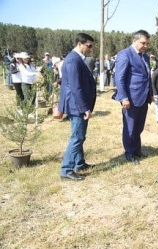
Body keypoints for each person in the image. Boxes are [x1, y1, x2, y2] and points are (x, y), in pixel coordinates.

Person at [58, 33, 97, 181]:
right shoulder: (73, 61)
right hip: (77, 105)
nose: (91, 49)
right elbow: (76, 87)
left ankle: (79, 163)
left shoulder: (77, 59)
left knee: (79, 135)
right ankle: (66, 169)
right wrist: (84, 108)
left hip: (77, 104)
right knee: (77, 137)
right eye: (89, 46)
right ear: (79, 44)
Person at [114, 29, 152, 165]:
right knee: (129, 127)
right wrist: (123, 97)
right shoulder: (125, 54)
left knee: (139, 126)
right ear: (135, 41)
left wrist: (151, 93)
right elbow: (119, 78)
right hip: (130, 98)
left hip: (143, 97)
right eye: (143, 43)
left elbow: (147, 77)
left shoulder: (145, 57)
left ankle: (137, 149)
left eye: (147, 43)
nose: (146, 46)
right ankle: (129, 152)